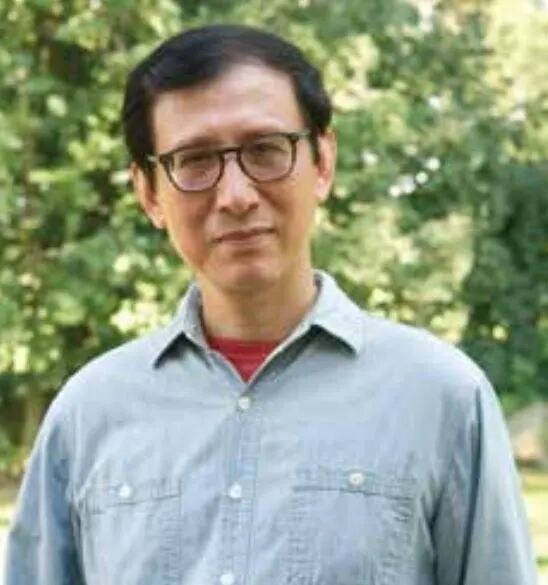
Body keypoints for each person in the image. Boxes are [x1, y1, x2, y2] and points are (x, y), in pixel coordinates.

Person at [5, 24, 537, 585]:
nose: (236, 196)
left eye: (265, 150)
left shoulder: (442, 399)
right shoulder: (87, 416)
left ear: (322, 162)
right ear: (149, 193)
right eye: (195, 160)